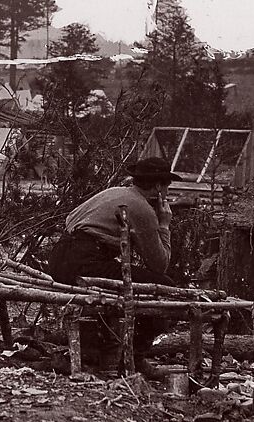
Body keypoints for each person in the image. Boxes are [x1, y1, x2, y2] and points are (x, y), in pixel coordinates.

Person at [46, 157, 181, 375]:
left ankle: (101, 352)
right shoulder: (141, 208)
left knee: (126, 276)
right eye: (166, 186)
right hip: (84, 265)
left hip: (60, 258)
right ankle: (136, 357)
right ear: (158, 186)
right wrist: (163, 224)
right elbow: (159, 264)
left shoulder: (115, 192)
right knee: (164, 288)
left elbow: (72, 220)